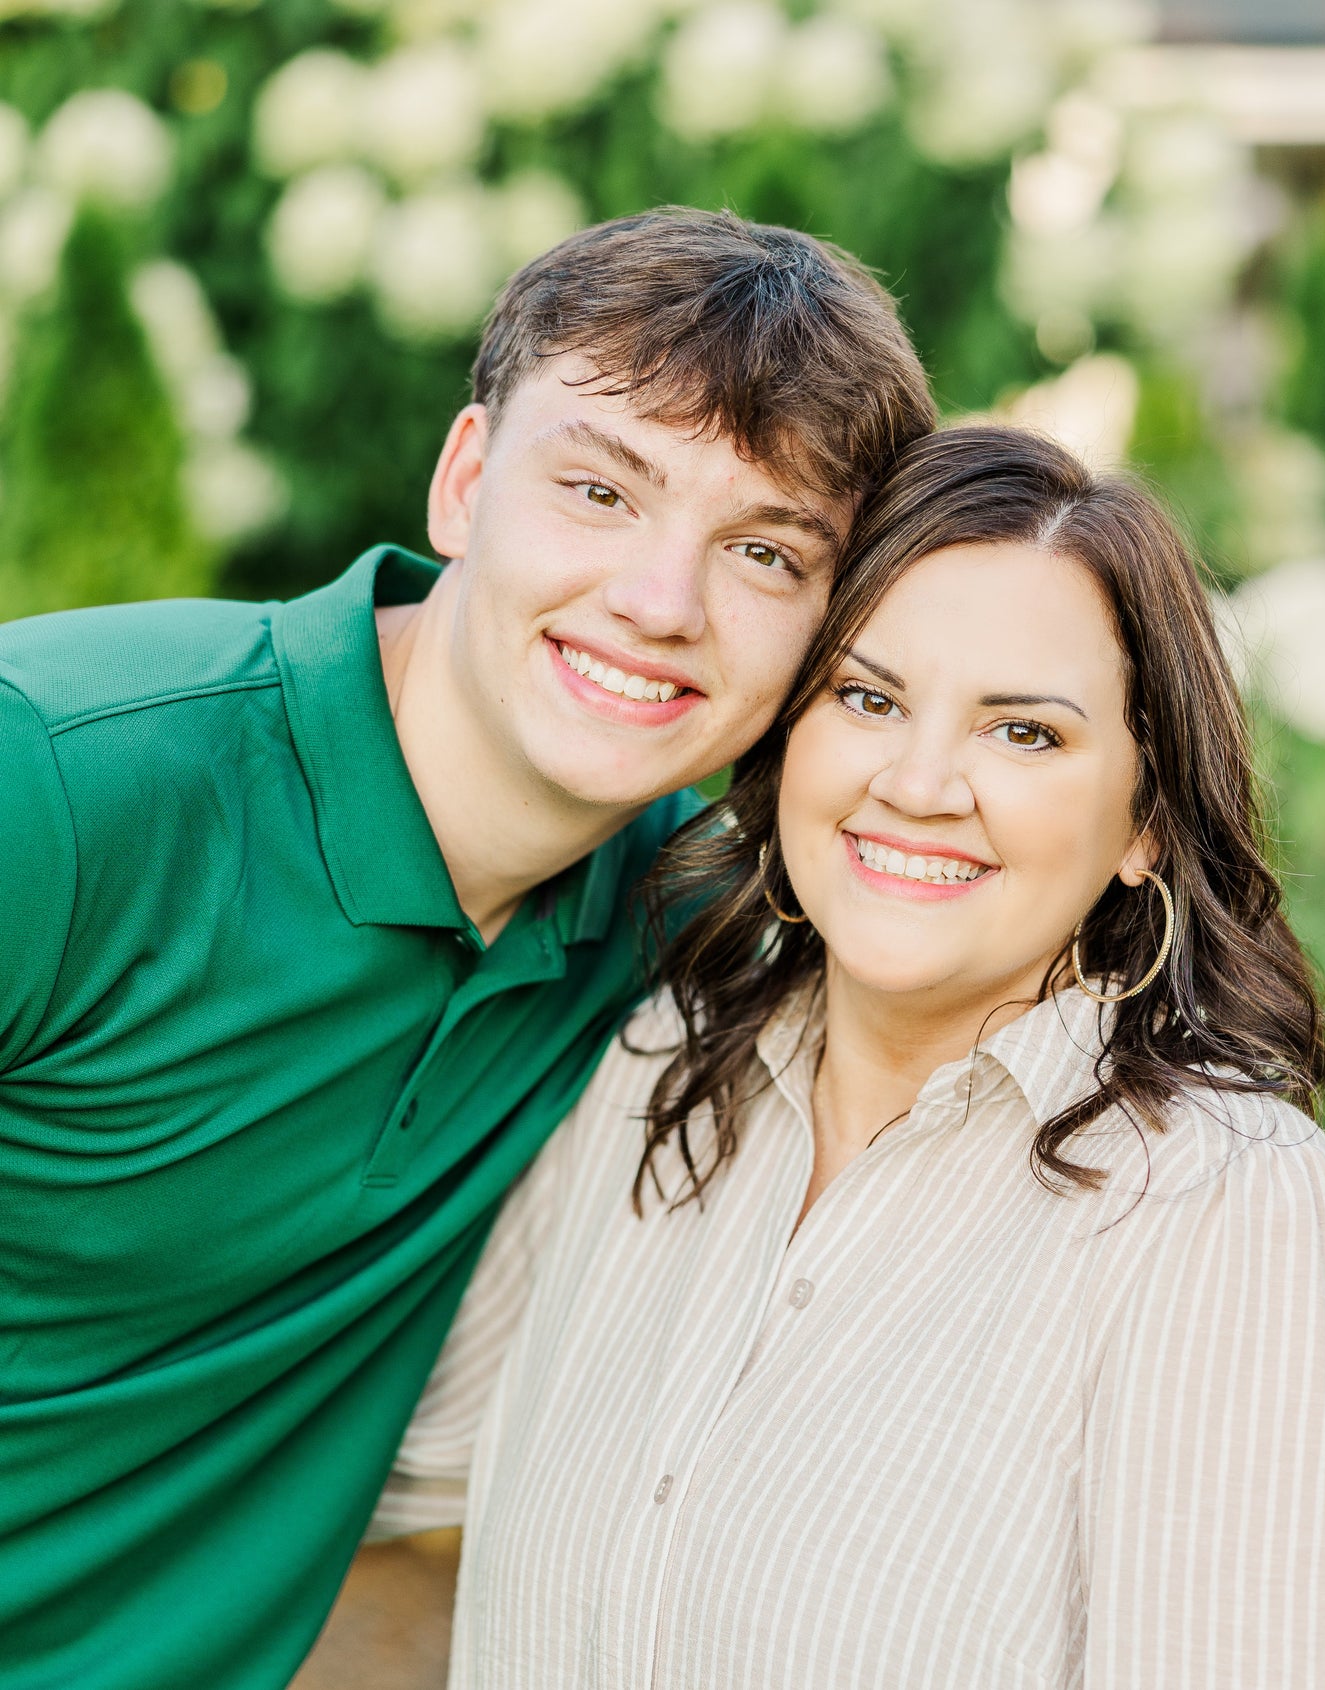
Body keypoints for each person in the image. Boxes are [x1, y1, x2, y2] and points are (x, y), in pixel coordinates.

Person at [379, 426, 1325, 1688]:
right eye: (869, 697)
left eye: (1025, 734)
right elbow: (369, 1453)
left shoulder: (1237, 1228)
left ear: (1146, 821)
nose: (918, 782)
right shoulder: (656, 1074)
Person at [0, 209, 935, 1690]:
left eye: (763, 552)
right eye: (599, 489)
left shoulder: (694, 930)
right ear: (464, 480)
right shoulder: (55, 780)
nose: (660, 602)